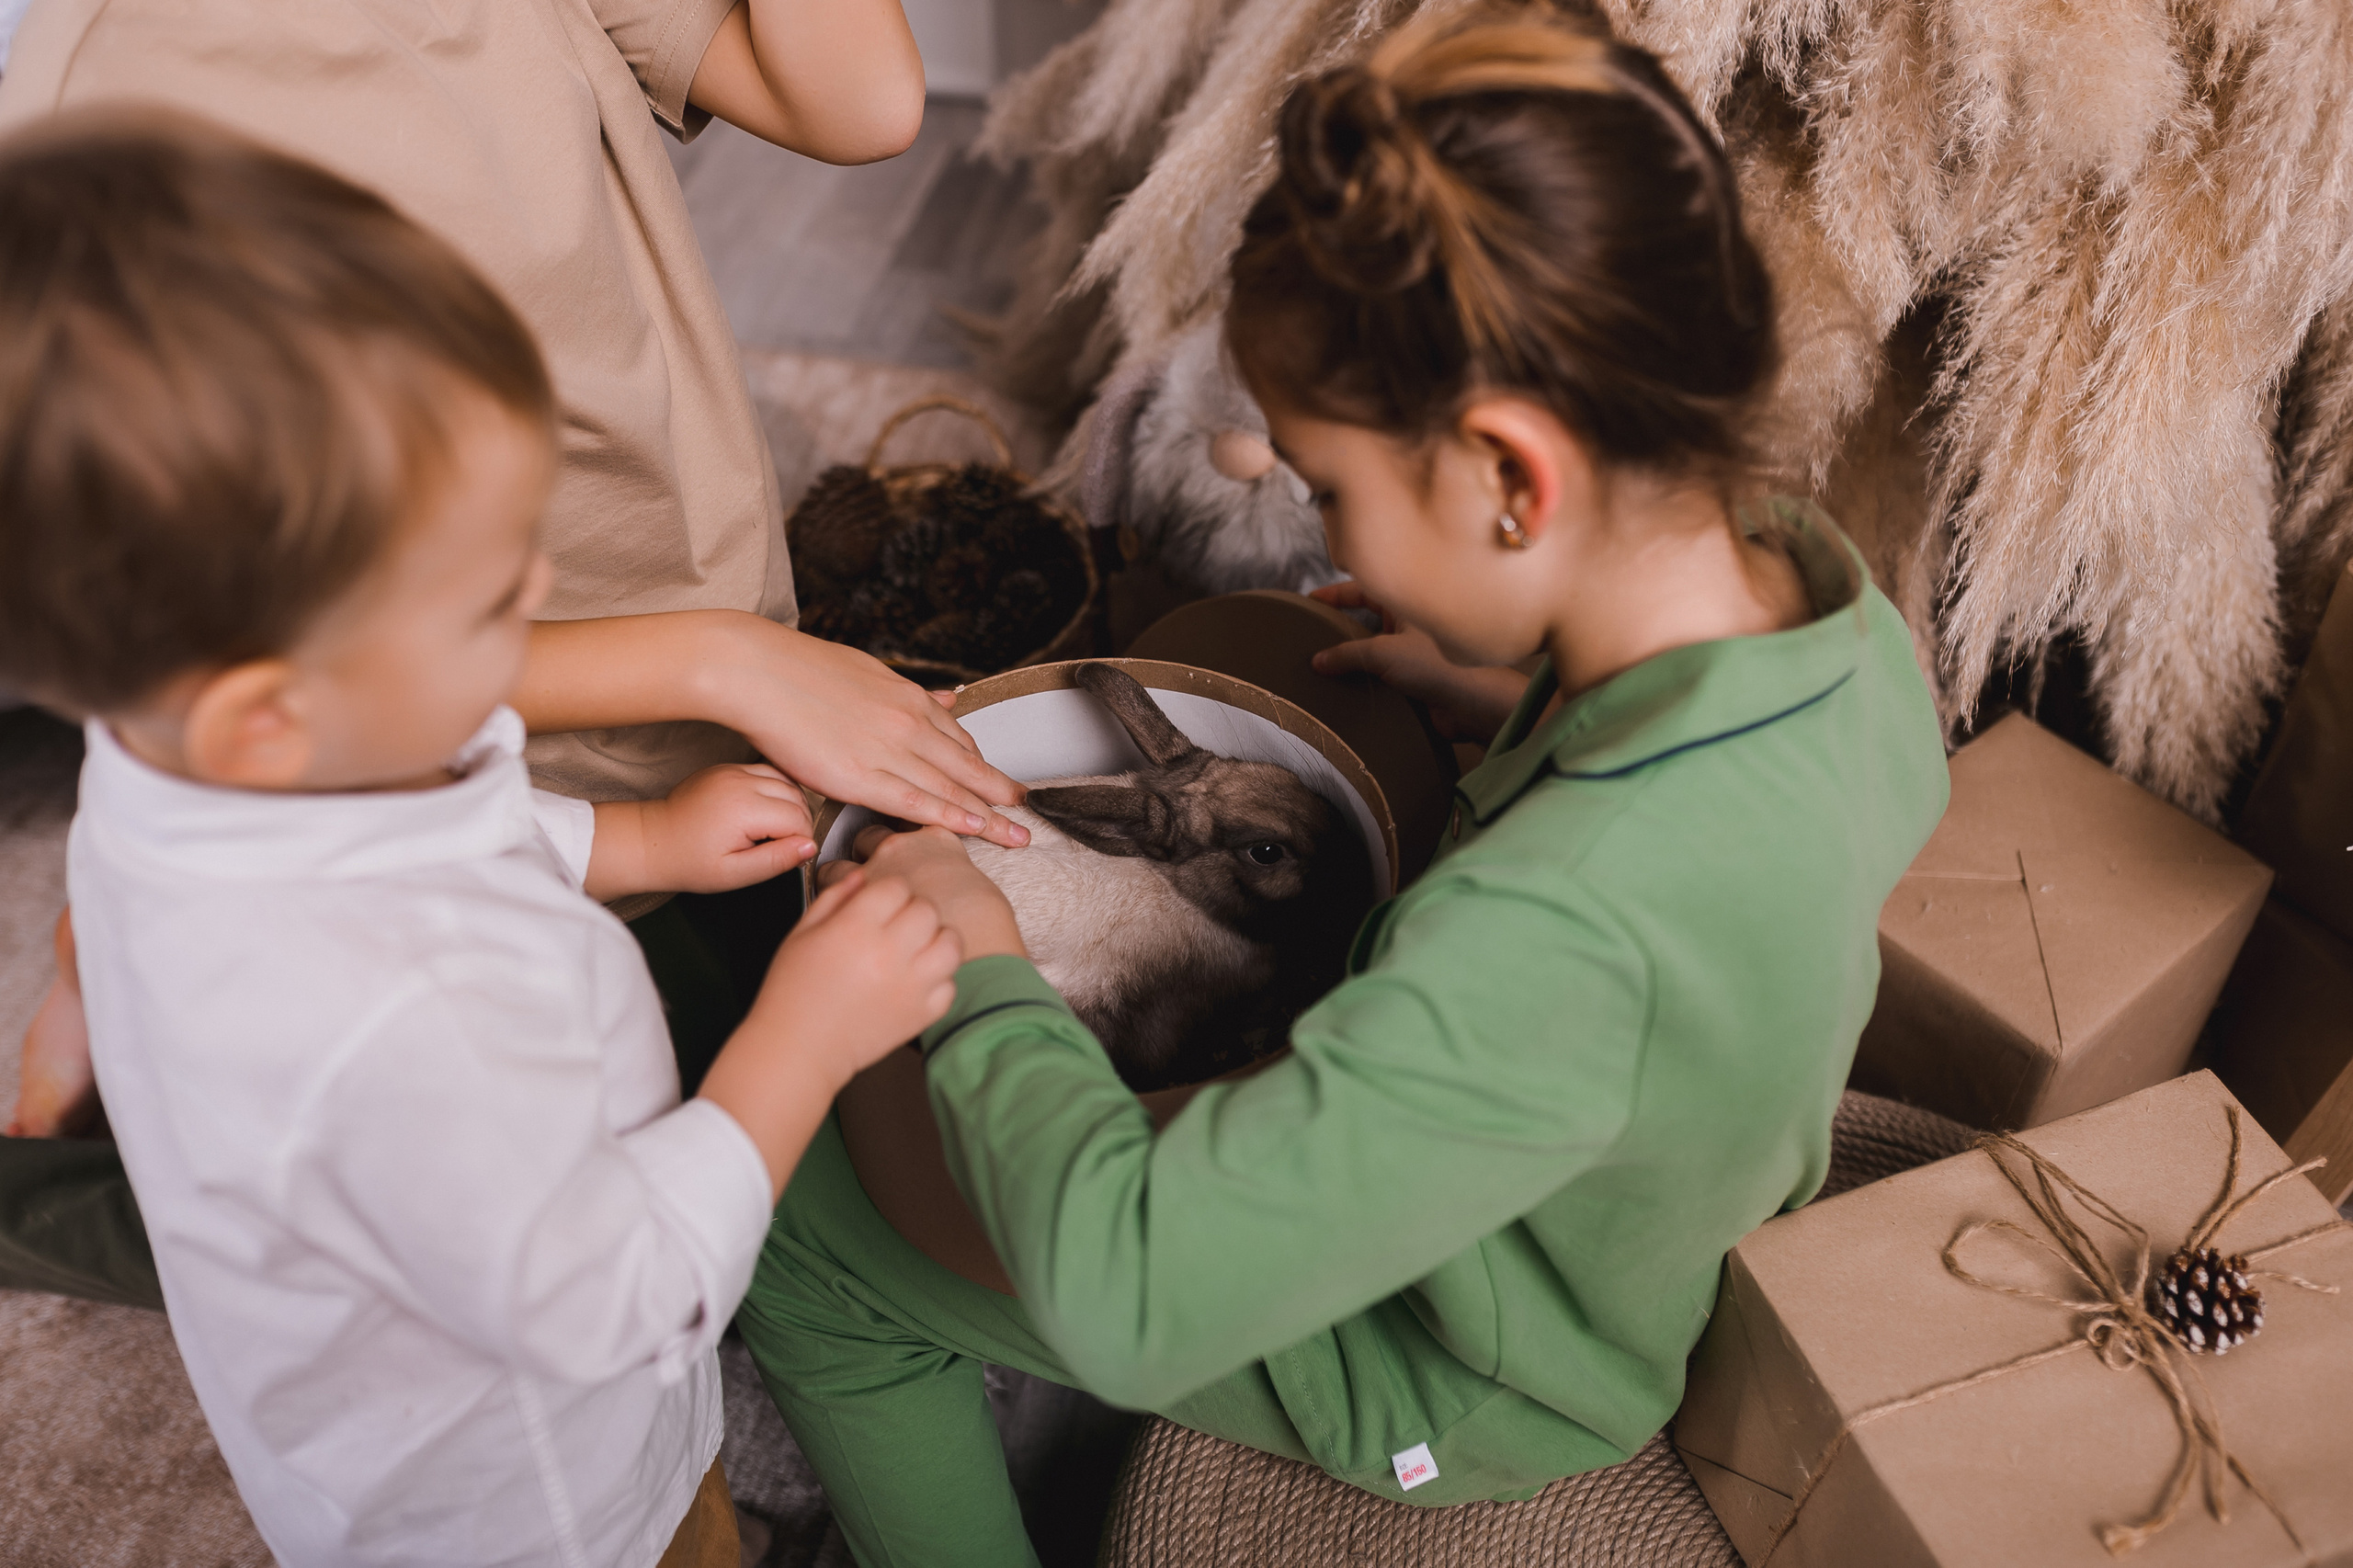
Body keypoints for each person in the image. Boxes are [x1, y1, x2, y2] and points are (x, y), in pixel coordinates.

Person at [728, 9, 1952, 1565]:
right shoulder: (1838, 625)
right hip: (1629, 1194)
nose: (1330, 531)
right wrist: (1534, 699)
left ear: (1514, 479)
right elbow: (1773, 848)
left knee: (812, 1242)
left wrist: (977, 961)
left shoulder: (1552, 932)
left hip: (1475, 1367)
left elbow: (1132, 1289)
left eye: (1337, 490)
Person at [0, 112, 967, 1567]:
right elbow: (619, 1293)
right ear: (271, 712)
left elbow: (441, 812)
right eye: (485, 603)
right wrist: (804, 1035)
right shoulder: (409, 1015)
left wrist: (632, 841)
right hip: (532, 1504)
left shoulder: (179, 766)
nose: (536, 586)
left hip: (353, 1392)